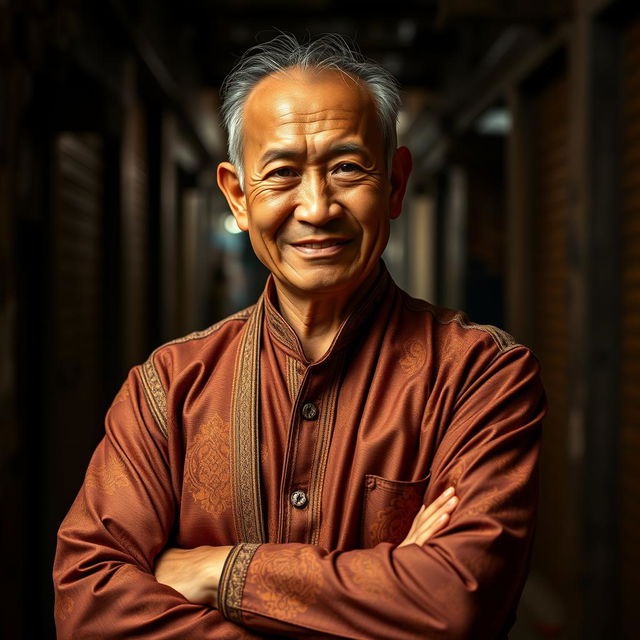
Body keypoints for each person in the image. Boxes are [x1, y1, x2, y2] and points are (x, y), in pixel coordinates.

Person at [53, 34, 545, 639]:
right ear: (237, 196)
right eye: (282, 173)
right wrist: (383, 589)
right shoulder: (170, 386)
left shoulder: (480, 375)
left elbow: (455, 603)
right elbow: (88, 603)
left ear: (394, 183)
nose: (316, 208)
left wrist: (219, 572)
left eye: (346, 167)